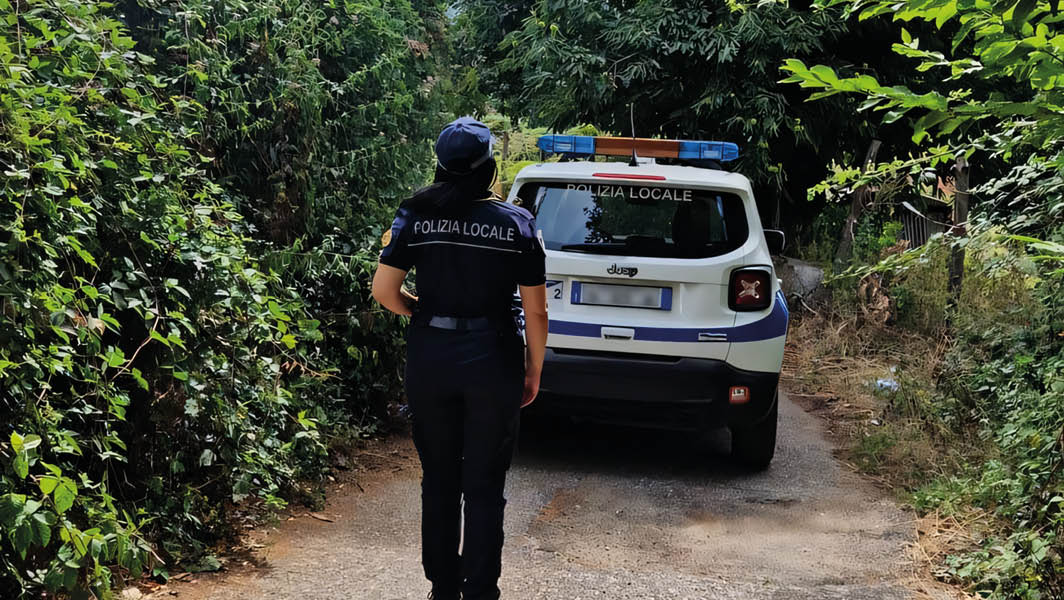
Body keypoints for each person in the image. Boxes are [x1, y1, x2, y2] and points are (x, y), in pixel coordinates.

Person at [371, 117, 548, 600]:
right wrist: (533, 369)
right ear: (489, 168)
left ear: (440, 165)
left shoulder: (415, 214)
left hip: (432, 359)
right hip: (494, 360)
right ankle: (481, 591)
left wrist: (423, 314)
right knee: (485, 483)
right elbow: (535, 310)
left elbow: (384, 291)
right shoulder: (517, 224)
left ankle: (443, 588)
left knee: (440, 478)